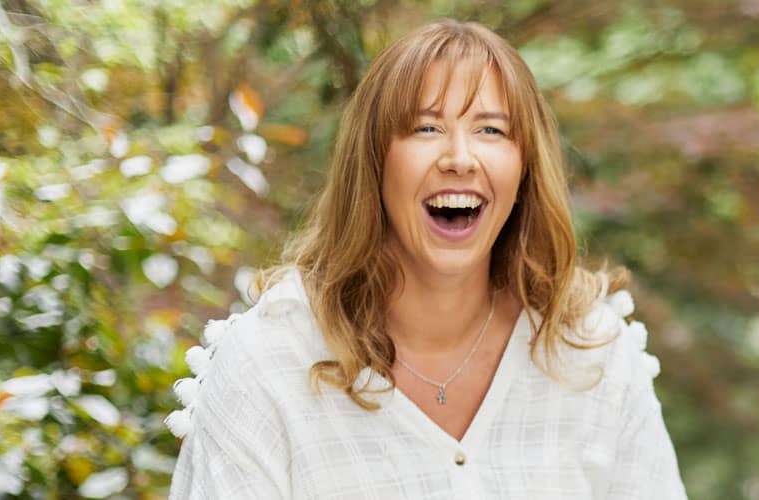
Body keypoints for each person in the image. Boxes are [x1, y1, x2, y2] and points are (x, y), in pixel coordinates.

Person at [166, 20, 685, 498]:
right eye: (426, 128)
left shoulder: (593, 350)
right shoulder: (267, 363)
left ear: (524, 169)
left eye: (491, 130)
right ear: (374, 163)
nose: (460, 158)